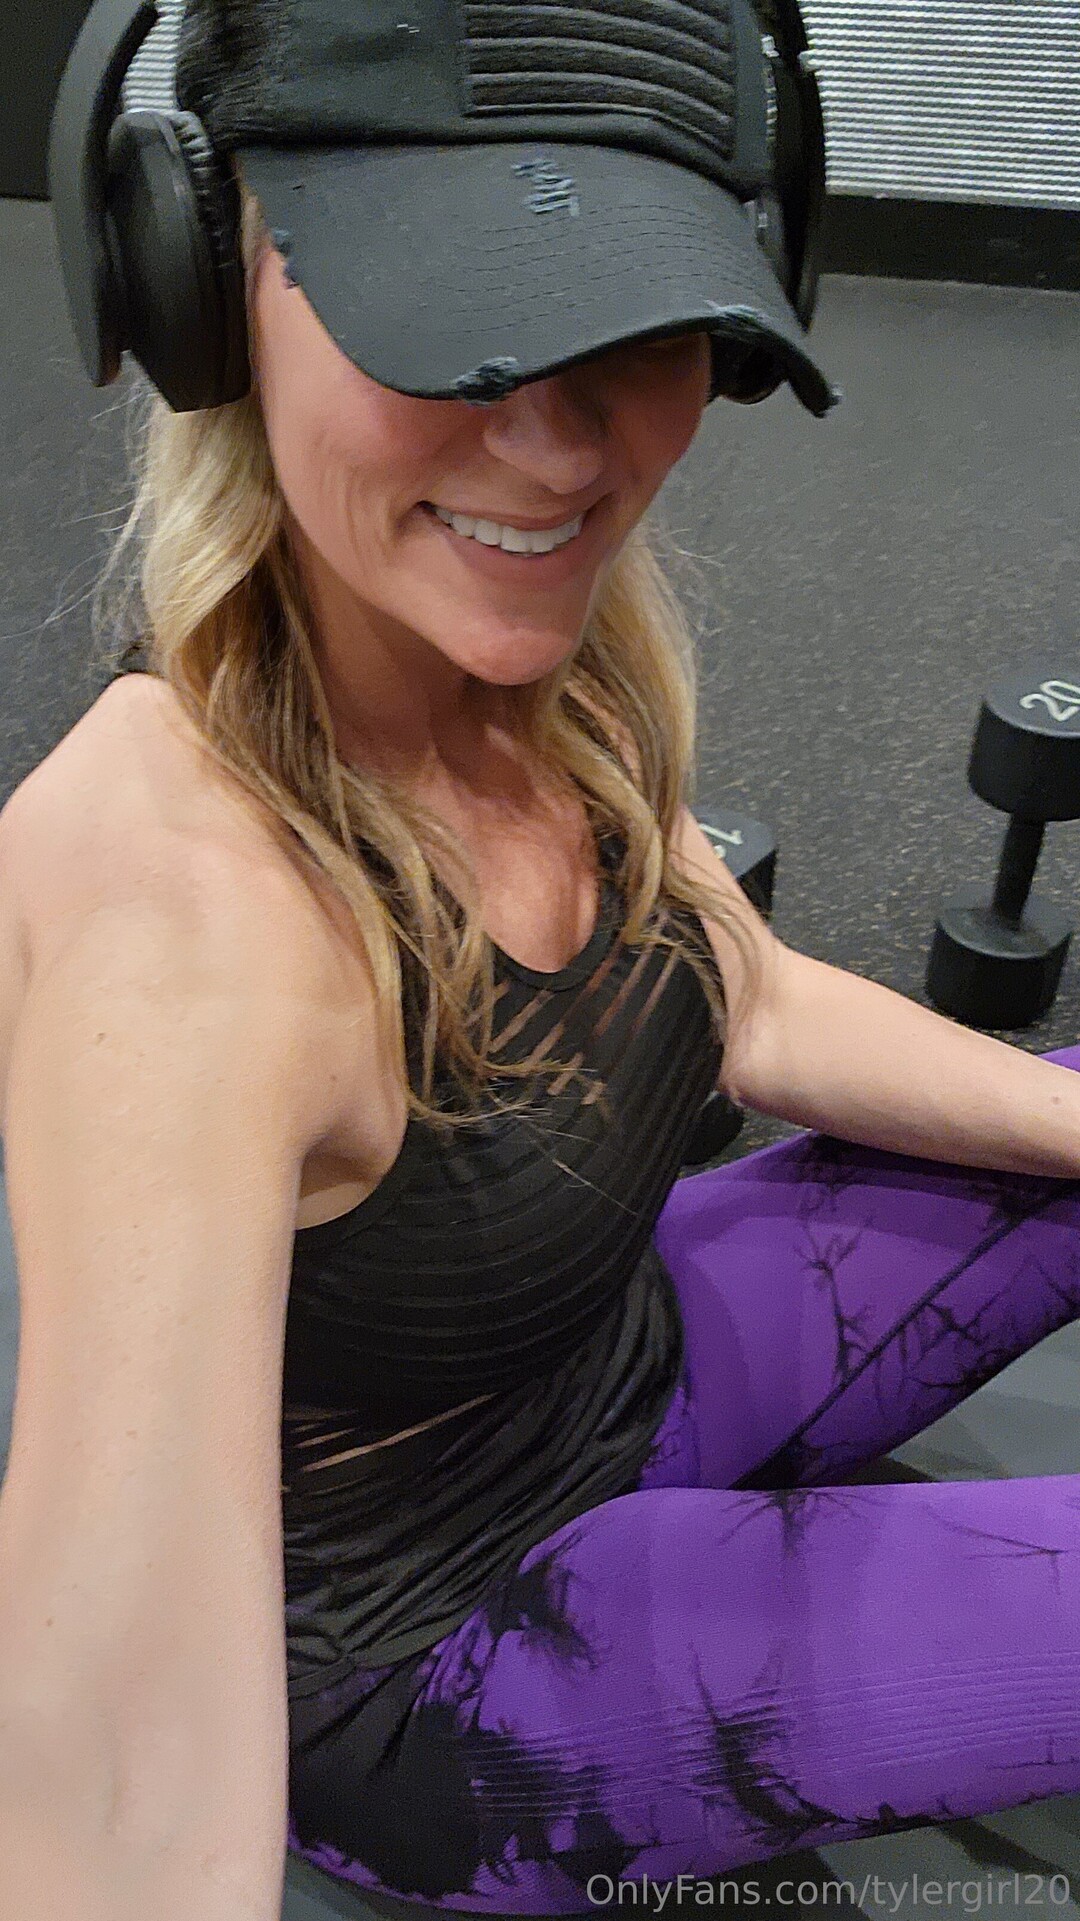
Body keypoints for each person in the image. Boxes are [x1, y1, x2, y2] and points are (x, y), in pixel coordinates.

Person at [2, 0, 1080, 1916]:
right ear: (199, 278)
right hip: (445, 1650)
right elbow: (114, 1778)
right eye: (449, 323)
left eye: (634, 323)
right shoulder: (171, 919)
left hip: (617, 1356)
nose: (560, 447)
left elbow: (743, 989)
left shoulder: (534, 669)